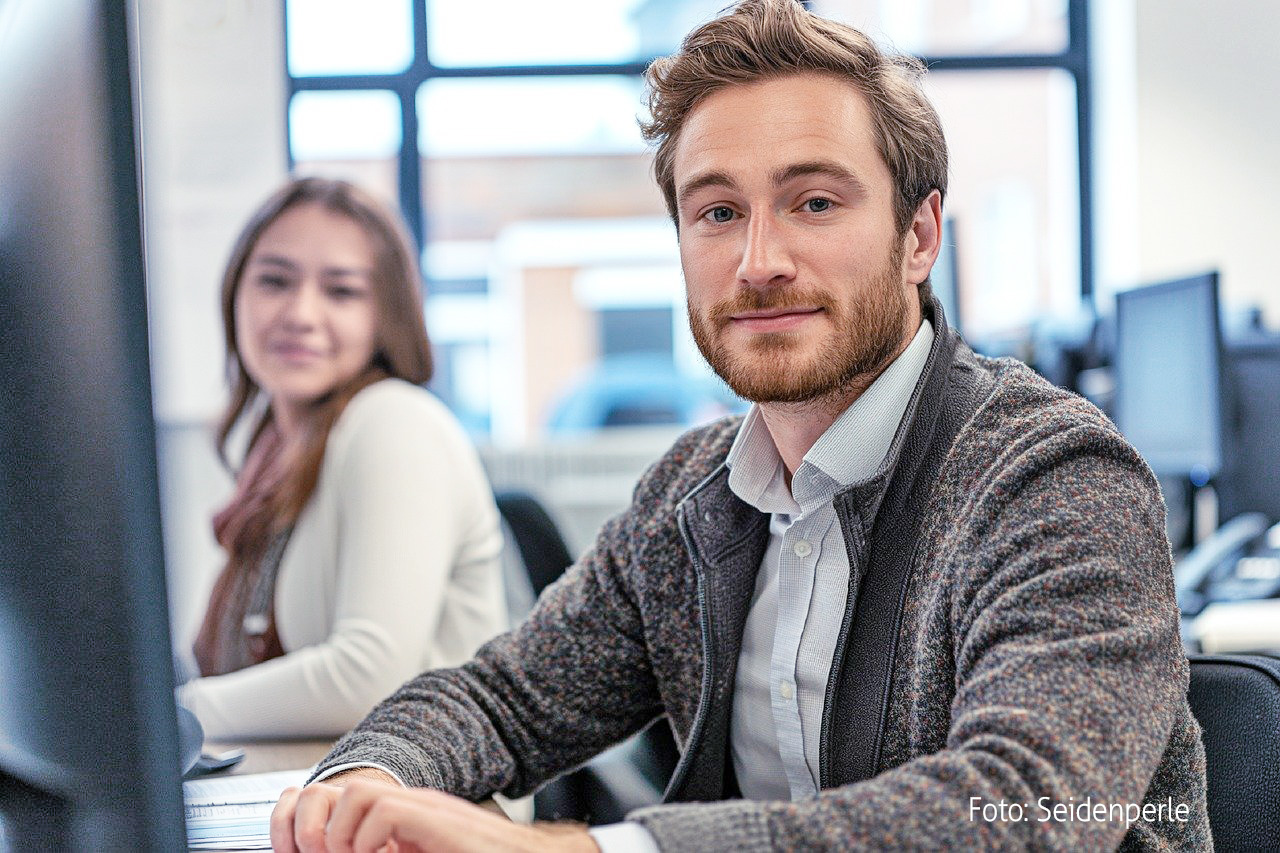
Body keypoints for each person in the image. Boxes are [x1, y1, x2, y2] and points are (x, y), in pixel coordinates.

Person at [271, 2, 1211, 850]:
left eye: (814, 202)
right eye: (718, 211)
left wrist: (599, 852)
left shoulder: (1053, 477)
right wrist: (364, 781)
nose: (759, 261)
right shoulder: (692, 494)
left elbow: (1028, 805)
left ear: (920, 236)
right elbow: (506, 697)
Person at [179, 177, 507, 740]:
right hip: (319, 790)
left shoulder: (393, 422)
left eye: (341, 291)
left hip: (434, 806)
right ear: (236, 293)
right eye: (275, 281)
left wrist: (169, 717)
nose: (301, 313)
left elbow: (370, 678)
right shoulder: (275, 453)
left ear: (386, 316)